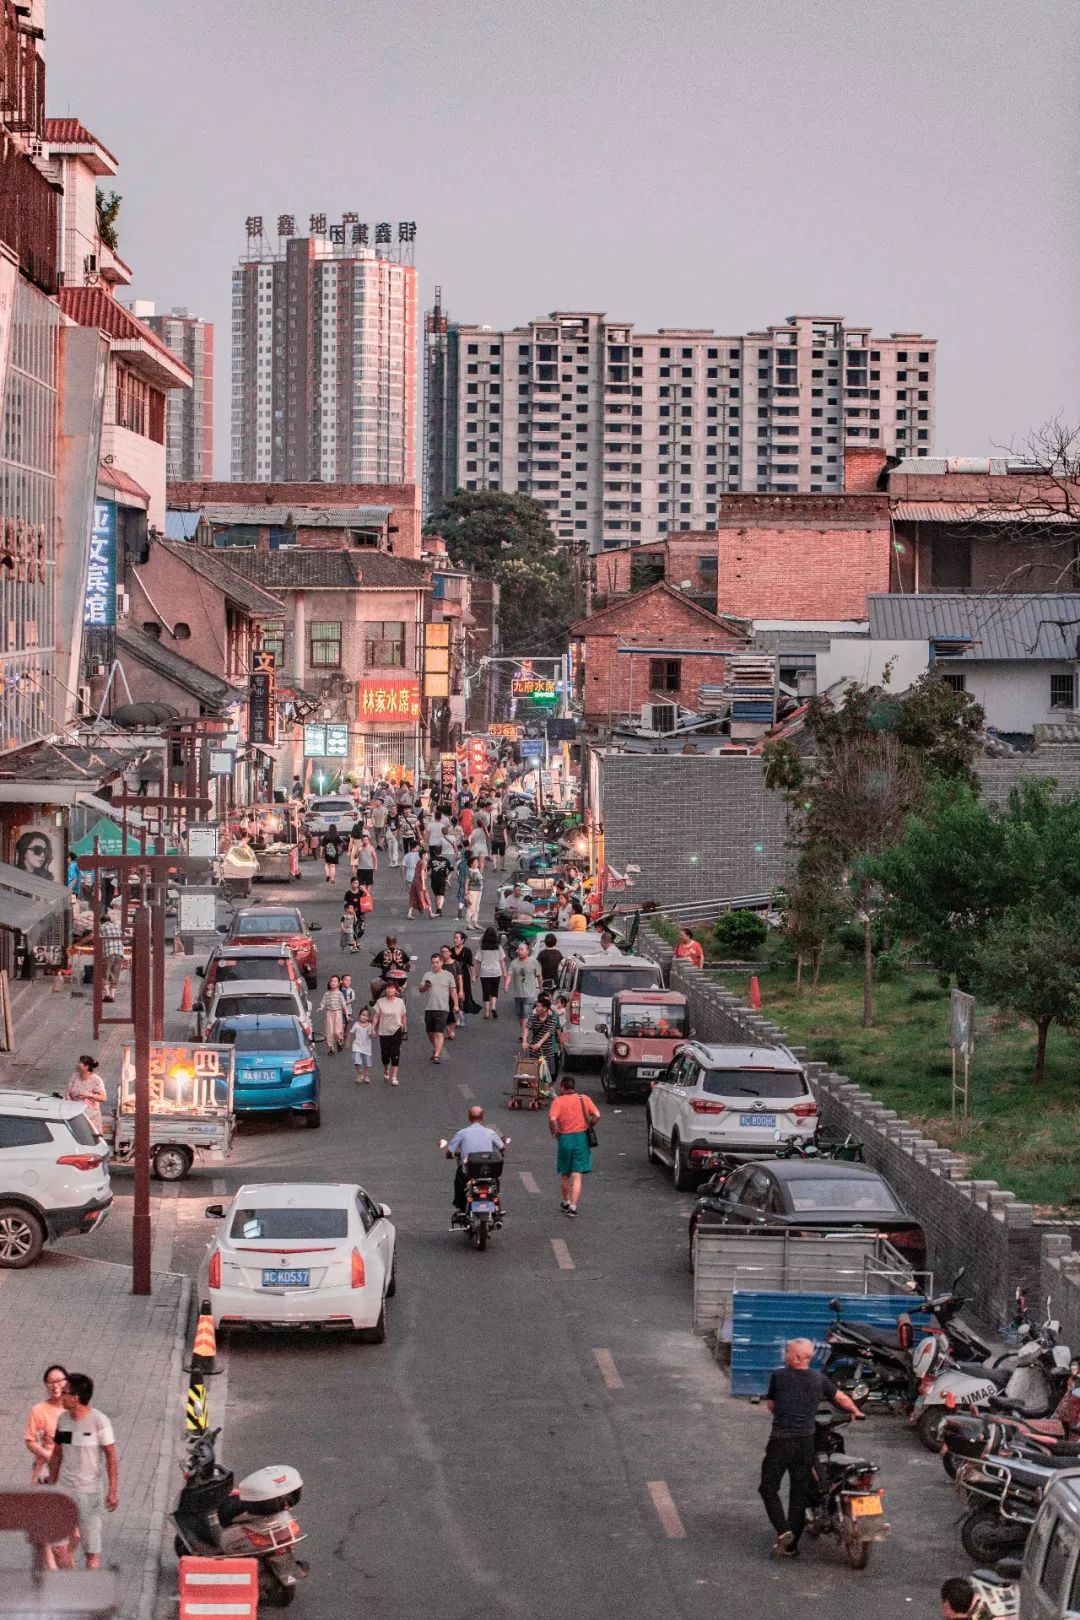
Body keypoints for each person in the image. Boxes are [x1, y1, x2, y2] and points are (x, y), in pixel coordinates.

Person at [759, 1338, 864, 1560]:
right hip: (806, 1443)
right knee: (799, 1492)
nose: (785, 1355)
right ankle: (791, 1546)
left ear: (796, 1358)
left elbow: (772, 1405)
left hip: (781, 1441)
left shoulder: (779, 1376)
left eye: (787, 1352)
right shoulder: (819, 1379)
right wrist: (855, 1411)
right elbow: (841, 1397)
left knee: (768, 1488)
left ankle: (782, 1529)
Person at [48, 1372, 118, 1570]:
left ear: (76, 1397)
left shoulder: (100, 1422)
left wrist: (112, 1491)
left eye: (65, 1392)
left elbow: (111, 1456)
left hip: (90, 1493)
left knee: (91, 1554)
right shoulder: (63, 1420)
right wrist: (51, 1486)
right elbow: (57, 1455)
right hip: (65, 1491)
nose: (61, 1396)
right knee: (58, 1547)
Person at [547, 1075, 600, 1218]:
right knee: (577, 1175)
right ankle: (573, 1207)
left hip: (565, 1139)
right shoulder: (584, 1099)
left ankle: (566, 1201)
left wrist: (555, 1132)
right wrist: (590, 1124)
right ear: (573, 1087)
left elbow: (552, 1119)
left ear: (563, 1088)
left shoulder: (558, 1101)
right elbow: (597, 1114)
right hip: (581, 1138)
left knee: (565, 1174)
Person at [445, 1106, 505, 1216]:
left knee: (459, 1179)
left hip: (469, 1172)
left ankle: (461, 1206)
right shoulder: (490, 1132)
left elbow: (449, 1151)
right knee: (495, 1181)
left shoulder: (462, 1133)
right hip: (489, 1172)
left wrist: (449, 1155)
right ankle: (497, 1204)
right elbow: (502, 1148)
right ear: (482, 1117)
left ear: (469, 1118)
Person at [25, 1364, 69, 1485]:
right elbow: (30, 1440)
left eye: (60, 1381)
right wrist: (47, 1454)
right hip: (46, 1472)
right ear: (46, 1385)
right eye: (51, 1382)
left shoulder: (74, 1409)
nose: (55, 1386)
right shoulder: (39, 1410)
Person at [419, 951, 457, 1063]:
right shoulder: (427, 975)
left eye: (437, 962)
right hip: (430, 1008)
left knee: (439, 1033)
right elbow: (421, 989)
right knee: (430, 1033)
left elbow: (453, 991)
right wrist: (425, 986)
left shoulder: (448, 975)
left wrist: (455, 1004)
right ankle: (436, 1048)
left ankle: (436, 1055)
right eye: (433, 963)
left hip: (443, 1009)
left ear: (441, 962)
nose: (435, 965)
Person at [372, 979, 408, 1085]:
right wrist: (373, 1029)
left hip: (397, 1030)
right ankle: (386, 1067)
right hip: (384, 1032)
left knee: (395, 1053)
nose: (389, 990)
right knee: (385, 1054)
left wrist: (405, 1030)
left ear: (396, 990)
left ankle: (394, 1077)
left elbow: (403, 1017)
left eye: (392, 988)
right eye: (388, 988)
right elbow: (376, 1017)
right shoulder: (380, 1002)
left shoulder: (400, 1002)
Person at [65, 1056, 107, 1137]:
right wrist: (68, 1100)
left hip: (90, 1116)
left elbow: (103, 1098)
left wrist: (89, 1095)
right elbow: (68, 1093)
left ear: (86, 1066)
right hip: (75, 1115)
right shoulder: (75, 1077)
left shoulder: (96, 1080)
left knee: (88, 1138)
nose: (77, 1065)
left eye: (80, 1063)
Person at [509, 942, 543, 1040]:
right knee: (520, 1015)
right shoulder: (514, 962)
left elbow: (539, 975)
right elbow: (509, 974)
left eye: (521, 949)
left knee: (526, 1014)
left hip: (529, 994)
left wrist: (541, 987)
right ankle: (524, 1030)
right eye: (518, 949)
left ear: (527, 951)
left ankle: (524, 1035)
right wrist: (507, 984)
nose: (519, 951)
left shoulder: (534, 962)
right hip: (518, 993)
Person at [476, 926, 508, 1019]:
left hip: (485, 973)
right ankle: (493, 1007)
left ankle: (486, 1012)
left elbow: (478, 962)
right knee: (494, 991)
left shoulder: (482, 948)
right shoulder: (498, 947)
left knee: (486, 992)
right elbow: (502, 961)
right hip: (496, 972)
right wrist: (505, 973)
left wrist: (475, 974)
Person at [523, 993, 558, 1078]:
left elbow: (548, 1033)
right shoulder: (533, 1017)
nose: (536, 1009)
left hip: (547, 1052)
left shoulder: (552, 1019)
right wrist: (524, 1041)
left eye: (538, 1007)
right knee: (533, 1076)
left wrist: (539, 1044)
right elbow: (527, 1028)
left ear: (545, 1008)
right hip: (534, 1051)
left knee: (546, 1077)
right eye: (536, 1006)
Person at [449, 930, 480, 1021]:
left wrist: (473, 976)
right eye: (454, 938)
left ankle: (461, 1015)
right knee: (453, 995)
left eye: (457, 938)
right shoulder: (451, 950)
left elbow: (470, 964)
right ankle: (457, 1014)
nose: (455, 940)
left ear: (462, 940)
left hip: (464, 976)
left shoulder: (467, 951)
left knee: (463, 995)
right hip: (453, 976)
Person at [370, 935, 409, 1001]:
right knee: (404, 985)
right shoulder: (402, 952)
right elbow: (408, 964)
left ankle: (375, 1000)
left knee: (373, 983)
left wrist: (380, 965)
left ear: (387, 943)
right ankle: (401, 993)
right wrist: (406, 969)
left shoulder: (382, 953)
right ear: (396, 942)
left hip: (386, 980)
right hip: (400, 981)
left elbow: (372, 963)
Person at [98, 915, 126, 1003]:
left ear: (101, 921)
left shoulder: (101, 927)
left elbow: (95, 938)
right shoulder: (117, 926)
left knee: (105, 974)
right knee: (115, 974)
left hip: (108, 953)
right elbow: (124, 939)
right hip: (119, 953)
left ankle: (107, 994)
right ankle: (113, 996)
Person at [319, 975, 347, 1054]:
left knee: (337, 1031)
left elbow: (343, 1004)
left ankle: (340, 1040)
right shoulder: (327, 993)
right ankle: (331, 1049)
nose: (333, 983)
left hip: (338, 1012)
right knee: (329, 1031)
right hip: (329, 1013)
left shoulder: (339, 994)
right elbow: (323, 1002)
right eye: (331, 981)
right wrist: (321, 1007)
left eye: (335, 981)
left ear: (338, 983)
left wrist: (347, 1014)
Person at [349, 1006, 373, 1083]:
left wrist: (373, 1034)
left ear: (369, 1017)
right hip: (357, 1046)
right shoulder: (356, 1024)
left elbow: (370, 1035)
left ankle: (366, 1075)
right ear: (359, 1015)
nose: (364, 1017)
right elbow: (351, 1033)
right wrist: (347, 1041)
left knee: (367, 1063)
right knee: (356, 1061)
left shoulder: (369, 1026)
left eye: (366, 1016)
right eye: (362, 1015)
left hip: (366, 1047)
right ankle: (360, 1073)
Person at [427, 846, 452, 917]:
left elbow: (426, 870)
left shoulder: (431, 860)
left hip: (434, 880)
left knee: (437, 896)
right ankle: (439, 909)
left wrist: (429, 875)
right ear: (441, 852)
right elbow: (451, 869)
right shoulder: (445, 860)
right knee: (441, 896)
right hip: (442, 879)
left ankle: (437, 910)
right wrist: (447, 877)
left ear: (434, 852)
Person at [407, 850, 432, 919]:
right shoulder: (424, 862)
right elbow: (421, 873)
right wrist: (423, 884)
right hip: (420, 883)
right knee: (426, 896)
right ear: (423, 855)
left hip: (414, 882)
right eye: (426, 854)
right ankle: (431, 913)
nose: (427, 855)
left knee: (413, 897)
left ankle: (409, 913)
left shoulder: (419, 862)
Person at [464, 856, 484, 928]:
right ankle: (468, 924)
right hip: (472, 891)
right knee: (471, 907)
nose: (477, 863)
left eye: (477, 862)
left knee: (476, 908)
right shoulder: (469, 871)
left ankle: (475, 922)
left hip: (479, 891)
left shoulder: (477, 870)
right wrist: (466, 893)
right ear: (471, 864)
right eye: (475, 862)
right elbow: (466, 883)